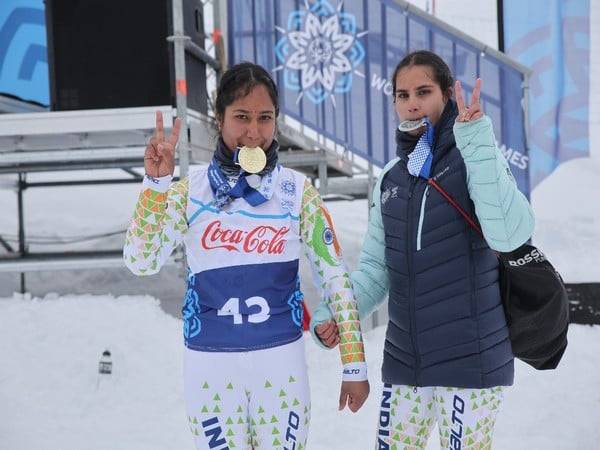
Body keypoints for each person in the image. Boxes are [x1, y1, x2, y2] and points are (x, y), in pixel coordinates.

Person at [123, 62, 369, 450]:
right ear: (218, 119)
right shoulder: (192, 191)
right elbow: (141, 261)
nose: (254, 132)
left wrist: (354, 363)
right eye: (241, 117)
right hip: (211, 365)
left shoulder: (296, 191)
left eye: (265, 118)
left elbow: (335, 276)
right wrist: (156, 185)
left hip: (280, 363)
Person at [311, 50, 535, 449]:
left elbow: (509, 234)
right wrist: (337, 313)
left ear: (448, 95)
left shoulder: (475, 157)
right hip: (406, 363)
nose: (411, 102)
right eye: (402, 94)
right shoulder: (391, 178)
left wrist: (478, 143)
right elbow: (376, 272)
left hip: (471, 362)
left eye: (423, 91)